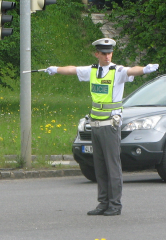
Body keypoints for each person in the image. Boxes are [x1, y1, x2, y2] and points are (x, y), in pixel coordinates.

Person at [45, 38, 159, 216]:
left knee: (112, 166)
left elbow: (131, 70)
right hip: (96, 124)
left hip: (110, 125)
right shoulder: (92, 71)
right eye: (104, 53)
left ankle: (115, 204)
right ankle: (103, 203)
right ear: (97, 54)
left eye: (109, 52)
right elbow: (73, 70)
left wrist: (145, 69)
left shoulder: (117, 71)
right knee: (100, 166)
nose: (107, 56)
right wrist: (55, 69)